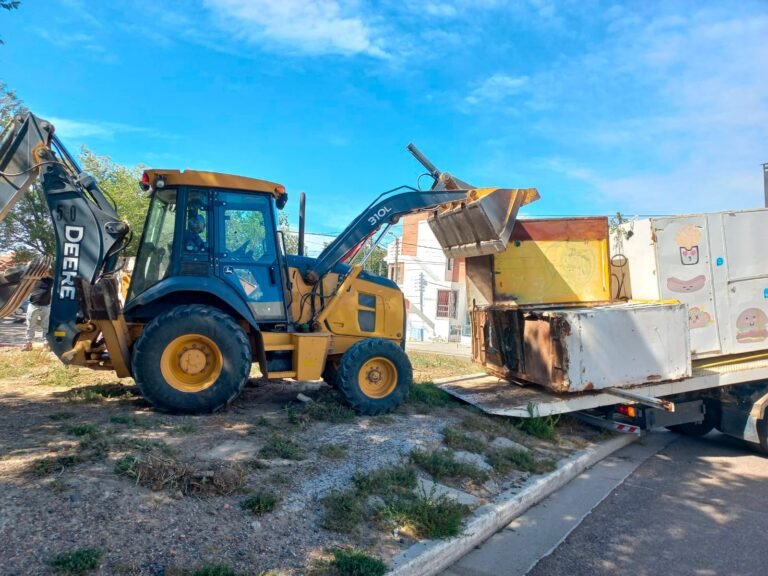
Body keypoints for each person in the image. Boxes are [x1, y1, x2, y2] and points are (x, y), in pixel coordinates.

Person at [23, 273, 53, 351]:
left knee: (46, 326)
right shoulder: (34, 279)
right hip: (33, 305)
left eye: (46, 270)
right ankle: (28, 344)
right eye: (43, 270)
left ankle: (45, 345)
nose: (45, 272)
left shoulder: (51, 280)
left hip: (45, 306)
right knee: (30, 325)